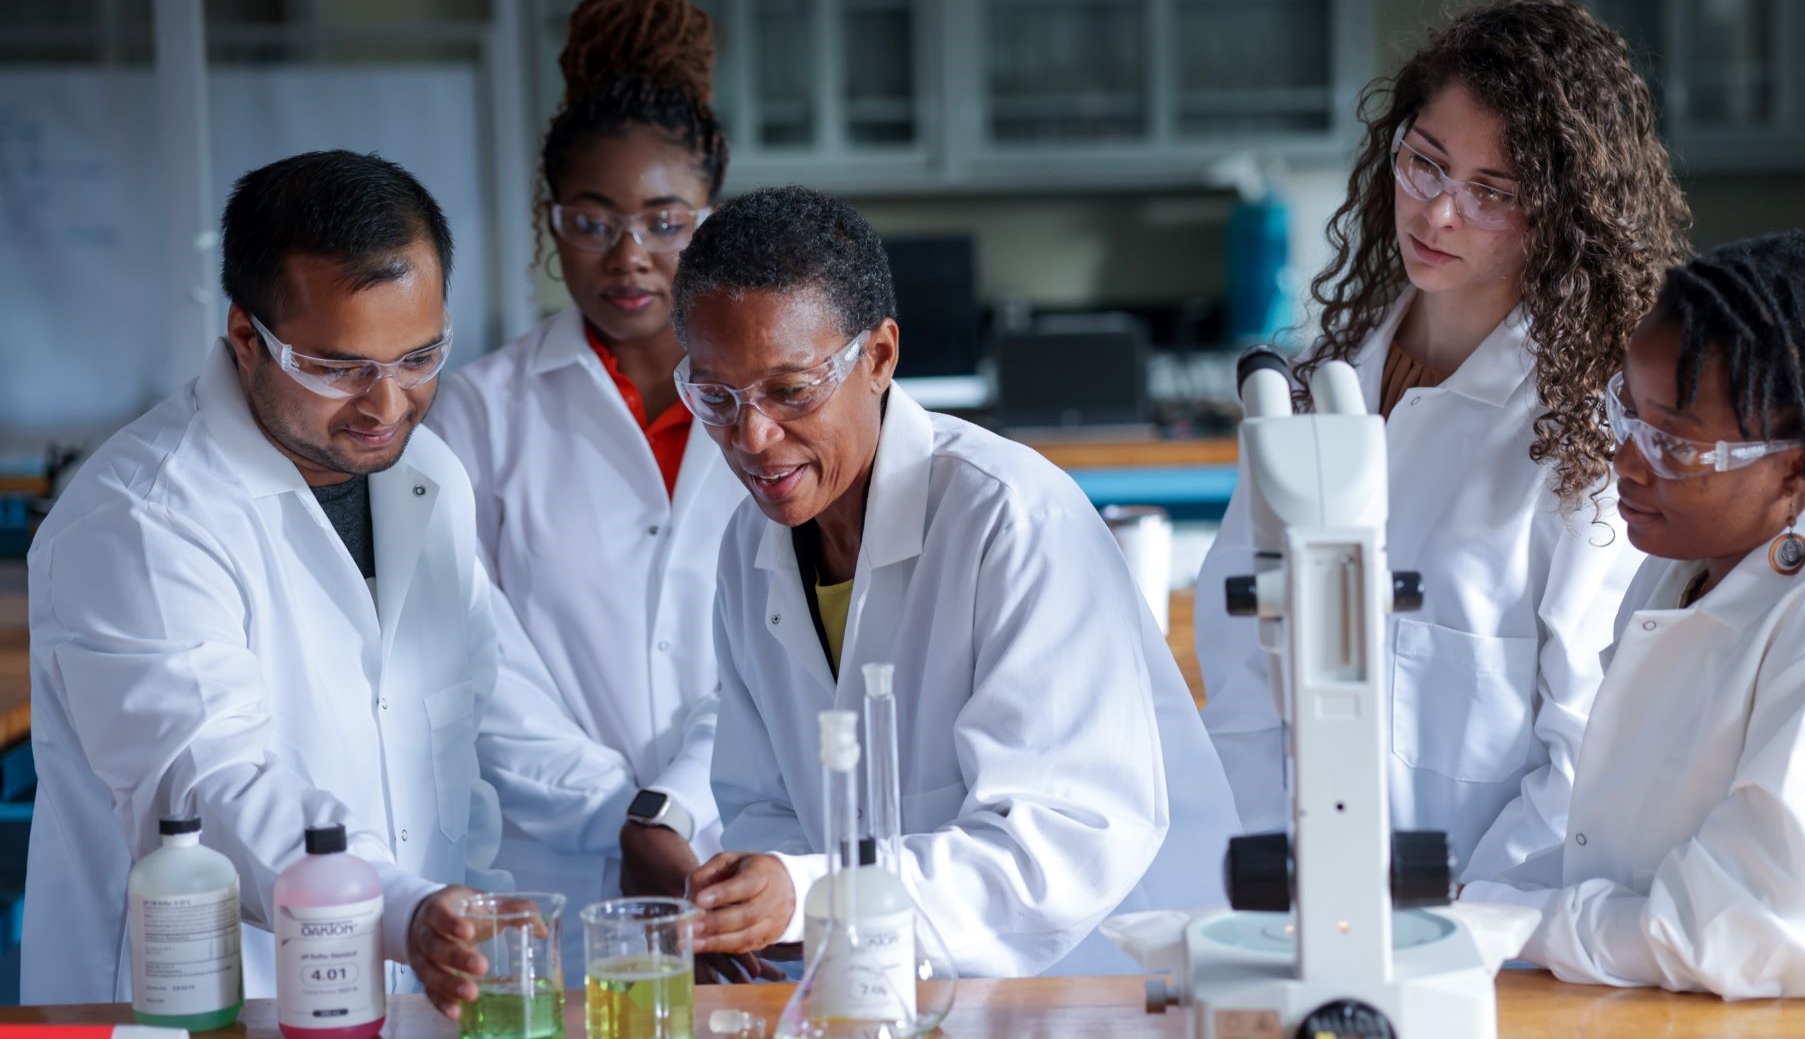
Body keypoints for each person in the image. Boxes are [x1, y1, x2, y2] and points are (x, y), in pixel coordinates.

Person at [23, 150, 633, 1017]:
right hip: (200, 1007)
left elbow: (468, 743)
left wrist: (480, 904)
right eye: (341, 368)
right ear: (246, 336)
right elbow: (209, 786)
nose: (386, 405)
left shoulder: (429, 477)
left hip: (411, 997)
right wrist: (399, 907)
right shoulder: (143, 516)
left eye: (420, 355)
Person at [673, 186, 1240, 977]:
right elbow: (768, 802)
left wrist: (810, 896)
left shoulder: (1011, 519)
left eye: (791, 390)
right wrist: (757, 921)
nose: (752, 436)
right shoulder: (749, 544)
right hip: (887, 990)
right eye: (715, 396)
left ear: (877, 358)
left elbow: (1058, 844)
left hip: (1101, 985)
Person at [1194, 0, 1690, 880]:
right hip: (1302, 883)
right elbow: (1239, 654)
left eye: (1490, 191)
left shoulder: (1584, 438)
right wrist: (1293, 852)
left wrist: (1467, 914)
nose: (1438, 213)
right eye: (1424, 163)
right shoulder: (1313, 386)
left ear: (1560, 215)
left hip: (1496, 928)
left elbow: (1585, 743)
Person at [1463, 231, 1805, 999]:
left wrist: (1512, 919)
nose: (1626, 462)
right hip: (1672, 999)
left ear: (1802, 462)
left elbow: (1752, 924)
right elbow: (1618, 853)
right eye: (1629, 414)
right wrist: (1472, 904)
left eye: (1673, 443)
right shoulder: (1680, 566)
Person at [427, 0, 746, 981]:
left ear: (708, 220)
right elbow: (472, 655)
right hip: (550, 875)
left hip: (736, 852)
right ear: (548, 220)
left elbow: (784, 641)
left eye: (663, 221)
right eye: (591, 221)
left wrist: (673, 808)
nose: (629, 255)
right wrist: (624, 820)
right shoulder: (476, 413)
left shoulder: (767, 410)